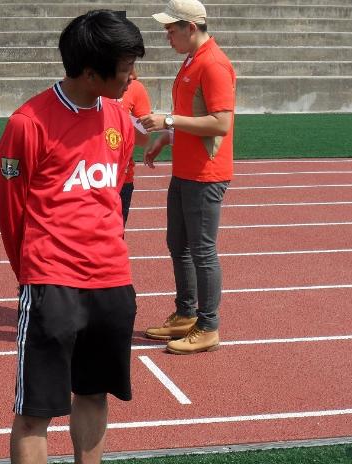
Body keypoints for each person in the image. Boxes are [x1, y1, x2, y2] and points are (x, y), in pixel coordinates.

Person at [0, 10, 143, 464]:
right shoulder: (28, 123)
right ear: (91, 70)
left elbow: (116, 192)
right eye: (125, 67)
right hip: (51, 282)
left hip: (112, 279)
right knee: (36, 409)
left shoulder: (118, 118)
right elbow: (10, 208)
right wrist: (34, 270)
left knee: (94, 392)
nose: (132, 77)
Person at [139, 0, 236, 354]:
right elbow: (190, 113)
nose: (167, 36)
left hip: (205, 174)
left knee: (202, 251)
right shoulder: (192, 60)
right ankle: (185, 314)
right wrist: (166, 137)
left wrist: (168, 121)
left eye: (171, 29)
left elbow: (221, 123)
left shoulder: (213, 64)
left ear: (190, 28)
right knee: (178, 244)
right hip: (184, 170)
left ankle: (208, 326)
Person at [112, 76, 152, 225]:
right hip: (88, 178)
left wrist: (123, 121)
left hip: (122, 179)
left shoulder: (134, 87)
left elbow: (143, 138)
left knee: (116, 234)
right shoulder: (85, 82)